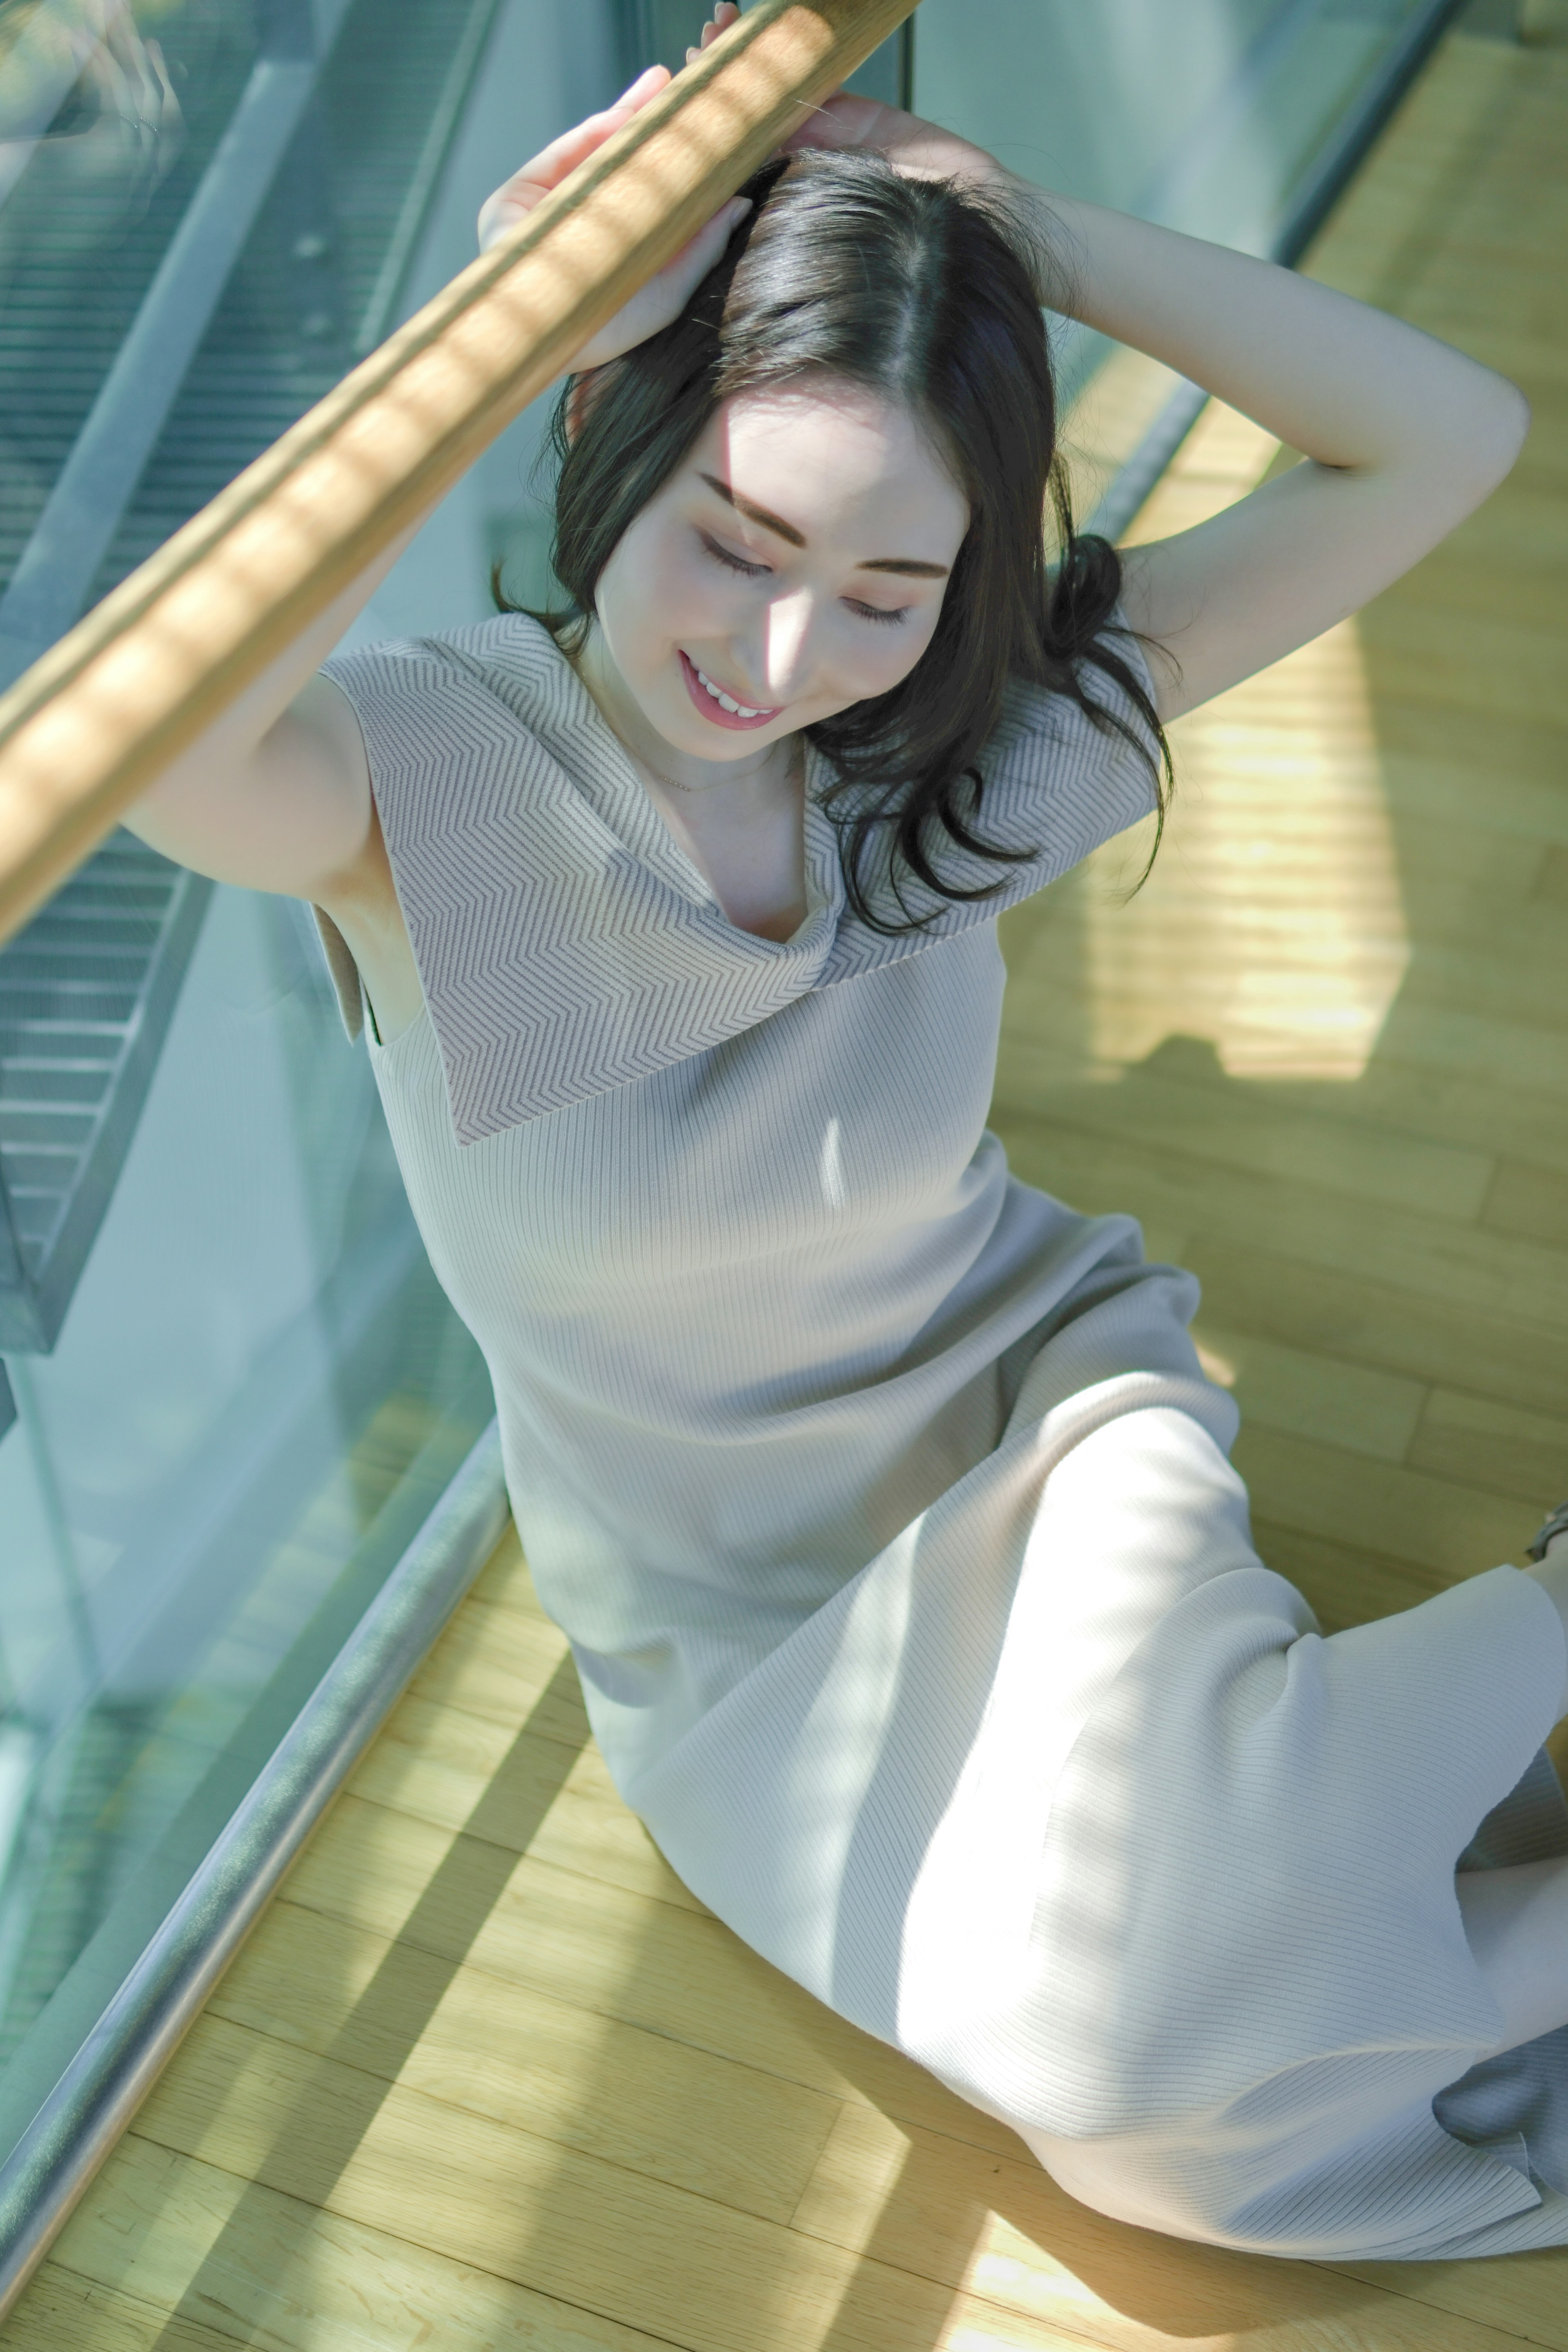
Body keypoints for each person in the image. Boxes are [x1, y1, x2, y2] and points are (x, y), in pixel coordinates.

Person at [124, 6, 1568, 2260]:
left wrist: (1026, 231)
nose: (789, 650)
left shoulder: (950, 760)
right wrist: (510, 326)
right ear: (620, 420)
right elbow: (158, 724)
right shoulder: (412, 796)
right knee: (1159, 2084)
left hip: (1034, 1438)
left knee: (1146, 2056)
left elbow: (1442, 441)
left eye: (888, 593)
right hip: (731, 1654)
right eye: (740, 538)